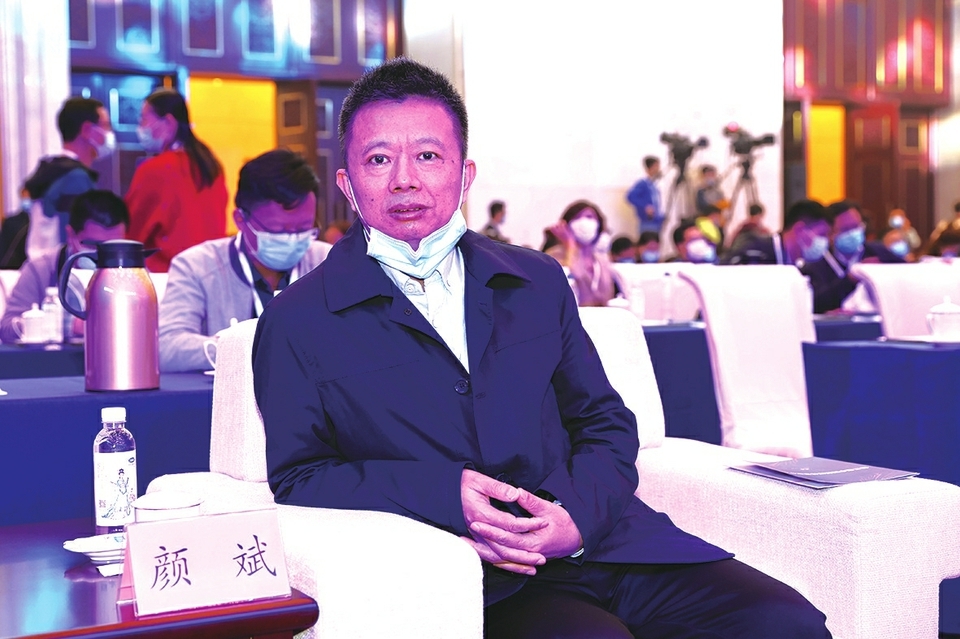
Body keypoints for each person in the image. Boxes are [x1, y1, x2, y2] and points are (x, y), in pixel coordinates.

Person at [251, 58, 830, 638]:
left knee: (785, 623)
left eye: (428, 155)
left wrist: (574, 517)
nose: (404, 179)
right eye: (379, 160)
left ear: (465, 174)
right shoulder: (297, 320)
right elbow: (302, 475)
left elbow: (604, 422)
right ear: (347, 184)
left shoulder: (535, 280)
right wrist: (443, 495)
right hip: (475, 574)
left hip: (605, 543)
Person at [158, 149, 332, 372]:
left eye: (303, 229)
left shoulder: (328, 262)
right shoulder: (197, 266)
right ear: (241, 219)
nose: (292, 239)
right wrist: (247, 348)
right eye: (278, 230)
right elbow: (167, 347)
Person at [0, 190, 128, 344]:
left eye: (113, 247)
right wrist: (64, 325)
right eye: (94, 245)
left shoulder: (134, 274)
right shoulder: (41, 270)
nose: (103, 255)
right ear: (71, 235)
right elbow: (7, 329)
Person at [125, 89, 228, 273]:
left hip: (168, 274)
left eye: (144, 119)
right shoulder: (211, 166)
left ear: (169, 121)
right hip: (211, 272)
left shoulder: (155, 170)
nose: (140, 127)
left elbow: (133, 234)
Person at [23, 97, 114, 261]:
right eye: (106, 125)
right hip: (64, 269)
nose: (109, 133)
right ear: (87, 129)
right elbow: (77, 240)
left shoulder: (53, 169)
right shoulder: (76, 178)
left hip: (44, 264)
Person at [801, 200, 903, 314]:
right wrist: (850, 279)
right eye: (846, 229)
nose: (853, 234)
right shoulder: (816, 264)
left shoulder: (879, 253)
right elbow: (813, 303)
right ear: (830, 234)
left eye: (856, 227)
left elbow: (905, 278)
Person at [545, 200, 622, 306]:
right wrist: (570, 245)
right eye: (577, 218)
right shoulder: (555, 255)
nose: (584, 222)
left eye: (590, 217)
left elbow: (608, 295)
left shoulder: (602, 260)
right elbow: (565, 286)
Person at [723, 198, 831, 267]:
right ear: (799, 229)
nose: (825, 241)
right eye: (821, 234)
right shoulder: (755, 253)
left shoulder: (798, 265)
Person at [625, 156, 664, 237]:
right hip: (647, 223)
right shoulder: (642, 183)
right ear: (651, 167)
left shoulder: (653, 185)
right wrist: (645, 207)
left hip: (656, 222)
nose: (659, 169)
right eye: (657, 166)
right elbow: (630, 196)